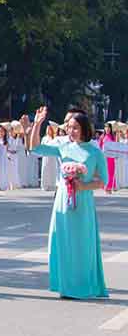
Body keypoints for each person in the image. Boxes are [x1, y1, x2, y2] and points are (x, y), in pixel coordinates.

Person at [29, 107, 108, 299]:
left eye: (75, 128)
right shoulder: (63, 146)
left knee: (82, 244)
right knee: (63, 242)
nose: (71, 131)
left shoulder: (94, 152)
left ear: (84, 129)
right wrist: (37, 124)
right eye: (69, 127)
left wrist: (83, 186)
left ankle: (83, 285)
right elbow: (35, 148)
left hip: (83, 202)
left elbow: (102, 181)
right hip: (63, 199)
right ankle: (66, 285)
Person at [0, 125, 15, 191]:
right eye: (0, 131)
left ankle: (4, 185)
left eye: (3, 131)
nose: (1, 133)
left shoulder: (7, 140)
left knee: (4, 171)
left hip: (4, 158)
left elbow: (8, 149)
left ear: (5, 132)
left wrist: (10, 155)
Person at [37, 123, 59, 191]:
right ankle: (45, 185)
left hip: (53, 157)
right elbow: (42, 146)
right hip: (46, 156)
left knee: (53, 170)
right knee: (45, 169)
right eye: (47, 129)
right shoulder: (44, 138)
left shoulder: (55, 138)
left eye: (49, 129)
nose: (48, 131)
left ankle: (53, 184)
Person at [100, 123, 117, 193]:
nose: (107, 129)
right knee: (105, 172)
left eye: (108, 128)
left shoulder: (113, 137)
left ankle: (110, 187)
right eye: (106, 127)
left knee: (111, 172)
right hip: (104, 157)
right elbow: (99, 147)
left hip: (111, 157)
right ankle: (105, 186)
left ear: (110, 129)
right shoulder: (102, 137)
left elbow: (115, 146)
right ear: (104, 129)